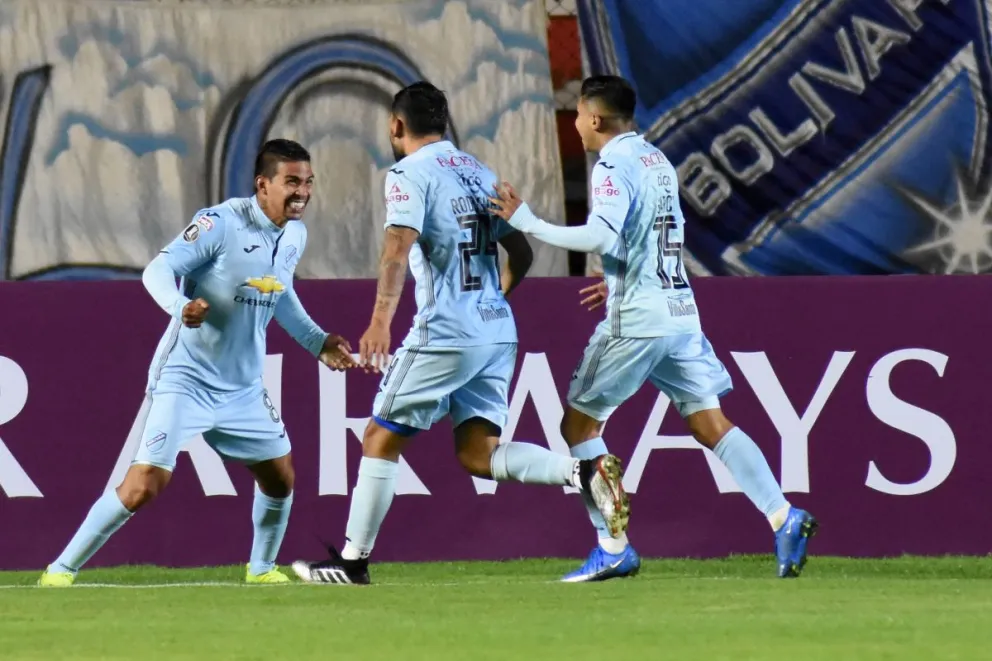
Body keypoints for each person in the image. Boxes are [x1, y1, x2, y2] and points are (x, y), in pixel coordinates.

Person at [291, 81, 629, 585]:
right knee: (477, 453)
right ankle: (583, 472)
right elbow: (523, 253)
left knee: (379, 437)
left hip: (446, 331)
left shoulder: (408, 174)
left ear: (396, 125)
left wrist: (380, 321)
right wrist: (490, 301)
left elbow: (396, 249)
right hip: (497, 331)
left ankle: (353, 563)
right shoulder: (480, 172)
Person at [489, 75, 818, 582]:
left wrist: (528, 221)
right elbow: (655, 234)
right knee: (710, 423)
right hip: (678, 312)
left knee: (578, 428)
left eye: (576, 115)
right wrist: (619, 278)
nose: (575, 124)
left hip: (638, 321)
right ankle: (783, 515)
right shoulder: (656, 159)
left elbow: (600, 235)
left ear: (594, 117)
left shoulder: (611, 164)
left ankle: (613, 547)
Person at [38, 139, 356, 587]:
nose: (302, 192)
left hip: (243, 387)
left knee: (280, 477)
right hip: (185, 379)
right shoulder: (220, 224)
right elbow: (156, 271)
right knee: (143, 484)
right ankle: (59, 572)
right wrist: (179, 307)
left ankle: (261, 570)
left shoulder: (294, 235)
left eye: (308, 182)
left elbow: (278, 293)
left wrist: (317, 341)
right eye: (291, 182)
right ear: (262, 184)